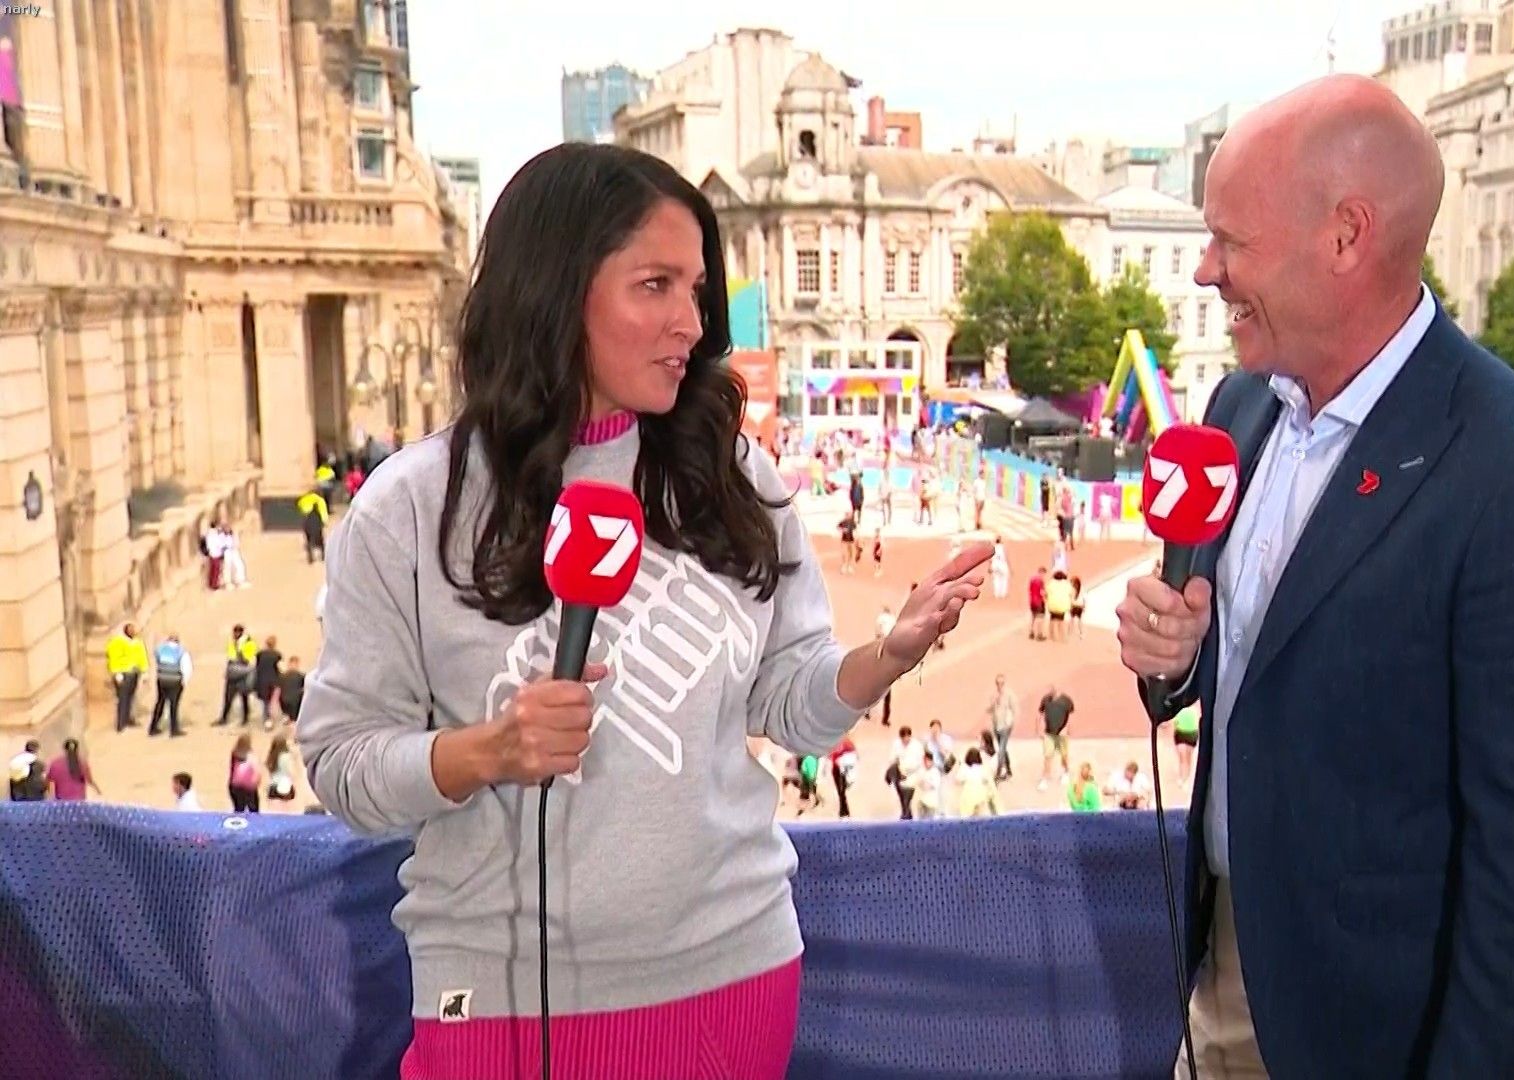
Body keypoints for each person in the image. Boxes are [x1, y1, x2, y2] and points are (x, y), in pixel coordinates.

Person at [294, 144, 988, 1080]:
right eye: (654, 286)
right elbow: (342, 765)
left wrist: (886, 654)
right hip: (500, 998)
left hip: (735, 971)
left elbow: (792, 703)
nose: (689, 323)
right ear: (555, 292)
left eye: (695, 290)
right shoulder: (409, 508)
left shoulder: (732, 474)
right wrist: (487, 752)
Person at [1115, 77, 1514, 1078]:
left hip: (1385, 1031)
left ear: (1346, 236)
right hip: (1225, 972)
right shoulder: (1239, 406)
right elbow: (1247, 675)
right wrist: (1174, 658)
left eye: (1230, 241)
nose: (1206, 270)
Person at [106, 622, 148, 733]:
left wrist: (144, 672)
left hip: (134, 673)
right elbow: (114, 658)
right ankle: (120, 724)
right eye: (131, 630)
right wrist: (117, 673)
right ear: (126, 631)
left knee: (131, 697)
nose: (133, 631)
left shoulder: (137, 642)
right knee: (123, 698)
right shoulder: (117, 642)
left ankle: (129, 719)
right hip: (123, 674)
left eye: (133, 629)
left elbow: (142, 657)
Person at [148, 633, 190, 738]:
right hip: (175, 680)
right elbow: (186, 668)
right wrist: (184, 681)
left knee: (160, 703)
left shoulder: (160, 649)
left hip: (162, 679)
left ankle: (153, 727)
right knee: (173, 705)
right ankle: (174, 729)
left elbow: (157, 660)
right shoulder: (181, 651)